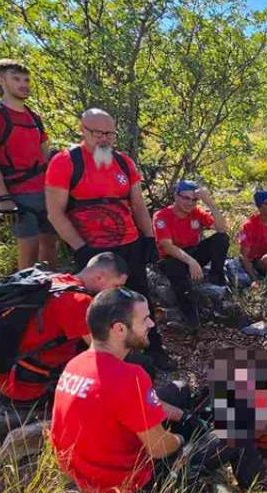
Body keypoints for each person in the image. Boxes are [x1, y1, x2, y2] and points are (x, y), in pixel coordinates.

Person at [51, 288, 259, 493]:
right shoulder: (130, 377)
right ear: (119, 329)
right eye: (144, 319)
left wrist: (180, 415)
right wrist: (181, 439)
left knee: (179, 390)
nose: (151, 324)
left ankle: (198, 435)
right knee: (238, 427)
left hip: (87, 477)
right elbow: (160, 448)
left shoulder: (75, 365)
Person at [44, 108, 175, 370]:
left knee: (140, 298)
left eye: (110, 134)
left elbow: (138, 205)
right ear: (82, 130)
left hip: (129, 244)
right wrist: (80, 248)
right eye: (97, 133)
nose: (104, 139)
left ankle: (153, 348)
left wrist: (149, 238)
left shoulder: (124, 162)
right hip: (93, 251)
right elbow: (55, 213)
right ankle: (105, 359)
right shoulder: (65, 162)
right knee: (99, 307)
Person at [0, 252, 129, 438]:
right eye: (116, 286)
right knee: (129, 367)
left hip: (6, 373)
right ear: (99, 277)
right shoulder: (77, 300)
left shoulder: (56, 280)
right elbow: (104, 352)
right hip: (25, 388)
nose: (115, 293)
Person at [0, 59, 56, 269]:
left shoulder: (33, 117)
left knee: (50, 247)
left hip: (45, 192)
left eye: (26, 80)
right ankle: (24, 289)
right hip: (17, 193)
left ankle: (51, 288)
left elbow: (45, 155)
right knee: (29, 248)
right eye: (16, 79)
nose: (23, 84)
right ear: (1, 80)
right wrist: (3, 197)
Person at [153, 181, 230, 328]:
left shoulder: (197, 212)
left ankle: (216, 279)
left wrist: (210, 204)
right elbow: (166, 246)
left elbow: (222, 229)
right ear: (176, 196)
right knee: (176, 272)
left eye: (194, 200)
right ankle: (191, 319)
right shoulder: (162, 216)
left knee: (221, 239)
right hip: (172, 257)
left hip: (192, 251)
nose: (190, 203)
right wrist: (191, 262)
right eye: (186, 198)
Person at [237, 187, 267, 283]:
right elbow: (243, 256)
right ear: (259, 207)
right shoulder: (247, 226)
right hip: (258, 261)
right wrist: (254, 279)